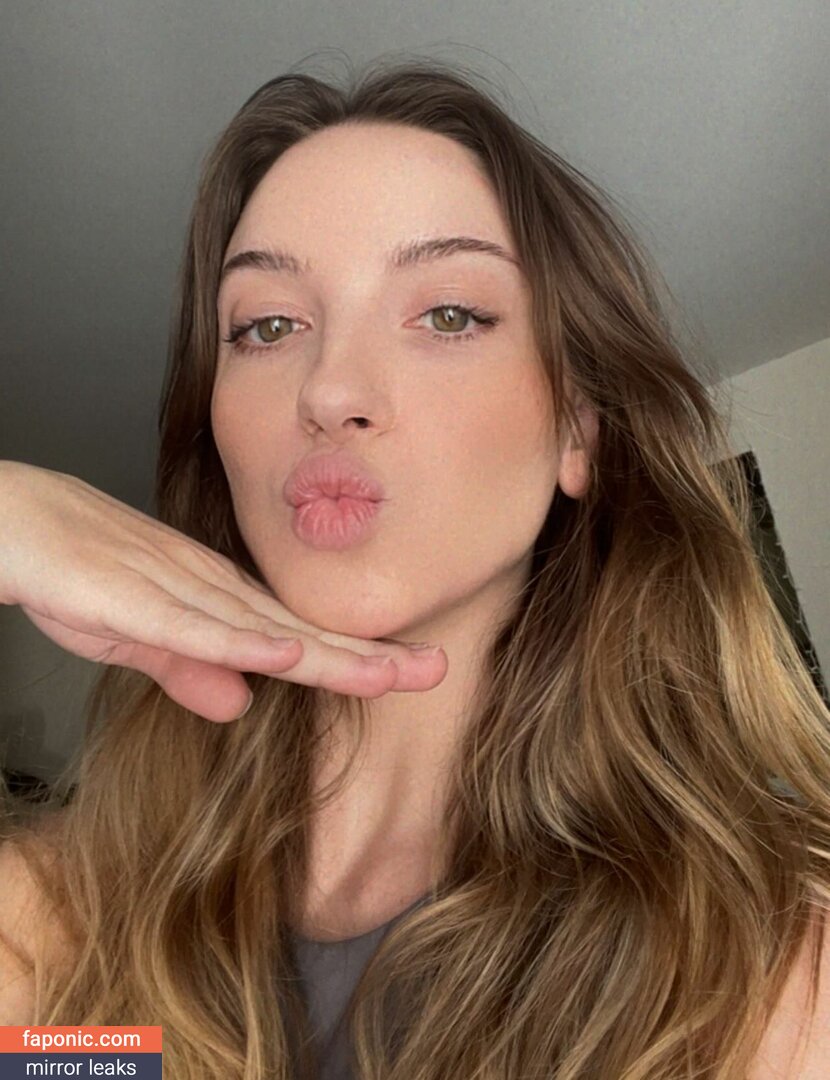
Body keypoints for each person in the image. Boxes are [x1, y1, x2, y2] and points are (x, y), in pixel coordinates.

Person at [1, 55, 829, 1080]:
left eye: (447, 314)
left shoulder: (762, 959)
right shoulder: (55, 922)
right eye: (267, 326)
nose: (328, 391)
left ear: (576, 431)